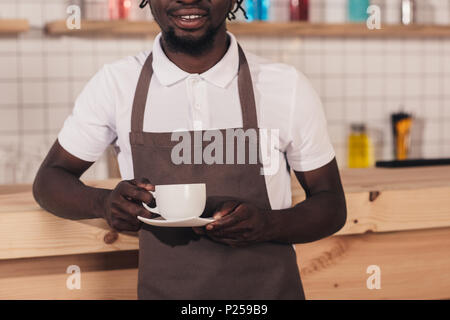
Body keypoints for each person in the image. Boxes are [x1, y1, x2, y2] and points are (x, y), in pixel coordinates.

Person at [33, 0, 347, 299]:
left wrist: (269, 224)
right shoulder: (115, 85)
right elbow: (50, 180)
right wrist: (103, 204)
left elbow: (331, 205)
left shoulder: (286, 86)